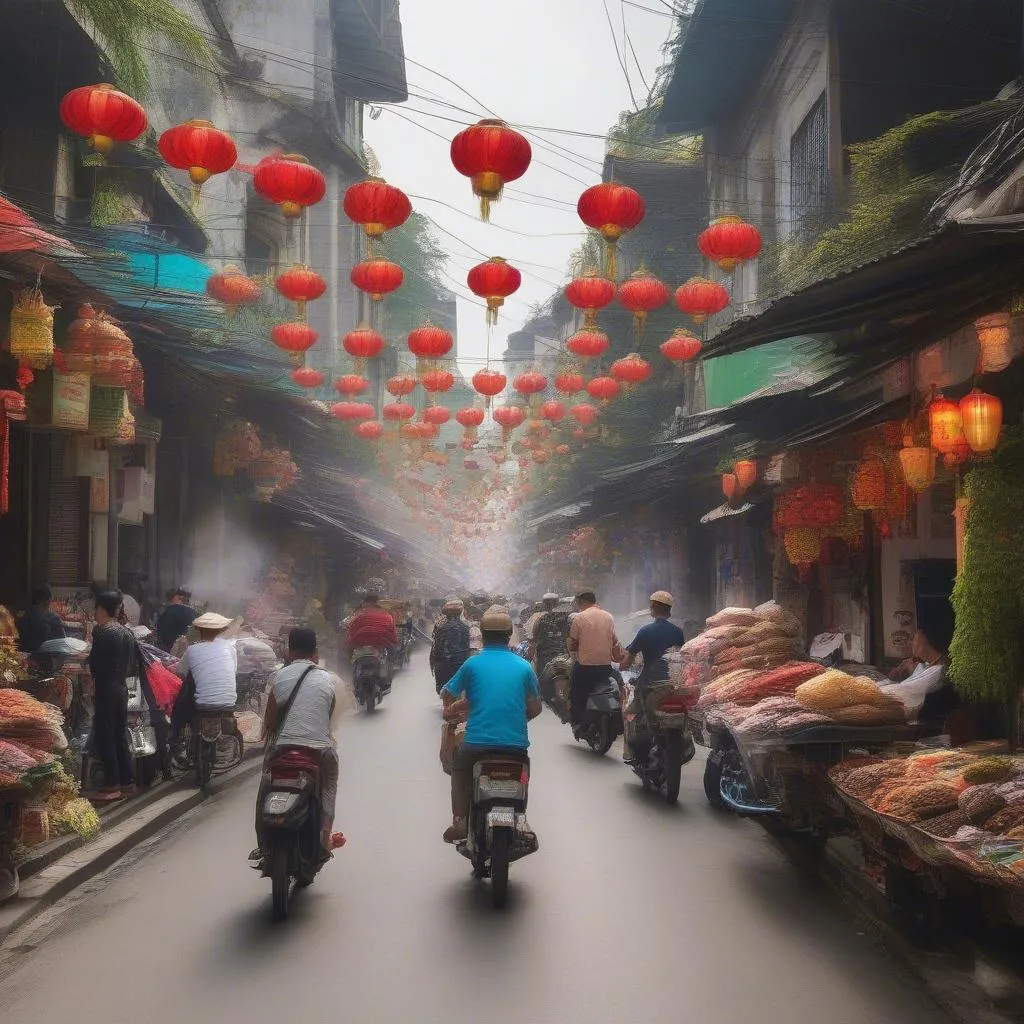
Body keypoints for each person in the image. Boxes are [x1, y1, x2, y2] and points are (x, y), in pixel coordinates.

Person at [440, 607, 542, 842]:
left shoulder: (472, 665)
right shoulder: (524, 667)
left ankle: (460, 821)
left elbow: (448, 692)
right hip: (515, 747)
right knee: (521, 777)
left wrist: (451, 710)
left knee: (459, 769)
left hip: (476, 745)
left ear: (482, 635)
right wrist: (517, 719)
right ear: (509, 635)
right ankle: (520, 819)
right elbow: (535, 708)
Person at [250, 627, 345, 864]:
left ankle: (263, 845)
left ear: (289, 651)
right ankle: (324, 840)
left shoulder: (278, 677)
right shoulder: (328, 679)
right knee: (328, 789)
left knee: (265, 786)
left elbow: (270, 722)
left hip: (282, 749)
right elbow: (330, 719)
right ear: (315, 652)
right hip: (319, 750)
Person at [87, 591, 136, 800]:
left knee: (105, 734)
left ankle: (111, 783)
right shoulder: (126, 632)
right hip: (121, 688)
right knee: (119, 734)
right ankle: (127, 782)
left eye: (96, 609)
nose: (95, 614)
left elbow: (95, 663)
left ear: (101, 609)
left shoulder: (102, 631)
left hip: (106, 688)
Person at [170, 612, 238, 744]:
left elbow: (180, 673)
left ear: (199, 630)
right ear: (221, 630)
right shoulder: (230, 648)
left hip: (203, 706)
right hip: (229, 704)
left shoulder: (192, 650)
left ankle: (177, 739)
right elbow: (233, 671)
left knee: (186, 688)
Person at [567, 589, 623, 734]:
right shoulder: (609, 617)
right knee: (618, 688)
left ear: (580, 602)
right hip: (605, 667)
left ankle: (577, 722)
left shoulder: (578, 618)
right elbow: (614, 640)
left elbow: (573, 644)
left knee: (576, 693)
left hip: (585, 668)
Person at [619, 591, 686, 680]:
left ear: (653, 607)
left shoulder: (645, 631)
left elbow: (627, 662)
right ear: (669, 610)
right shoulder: (678, 632)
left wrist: (620, 667)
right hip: (671, 681)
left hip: (649, 682)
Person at [430, 598, 472, 694]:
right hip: (460, 666)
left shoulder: (440, 627)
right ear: (459, 613)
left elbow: (436, 649)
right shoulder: (465, 627)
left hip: (443, 666)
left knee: (446, 694)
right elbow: (466, 649)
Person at [17, 585, 65, 655]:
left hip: (24, 656)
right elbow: (61, 643)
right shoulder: (52, 618)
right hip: (45, 658)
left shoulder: (22, 616)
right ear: (47, 601)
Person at [529, 593, 568, 678]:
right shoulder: (566, 618)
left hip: (545, 658)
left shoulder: (540, 619)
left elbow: (533, 640)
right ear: (558, 604)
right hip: (563, 656)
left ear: (544, 605)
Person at [156, 588, 196, 653]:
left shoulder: (169, 611)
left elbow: (160, 629)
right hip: (186, 648)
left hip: (169, 647)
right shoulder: (192, 612)